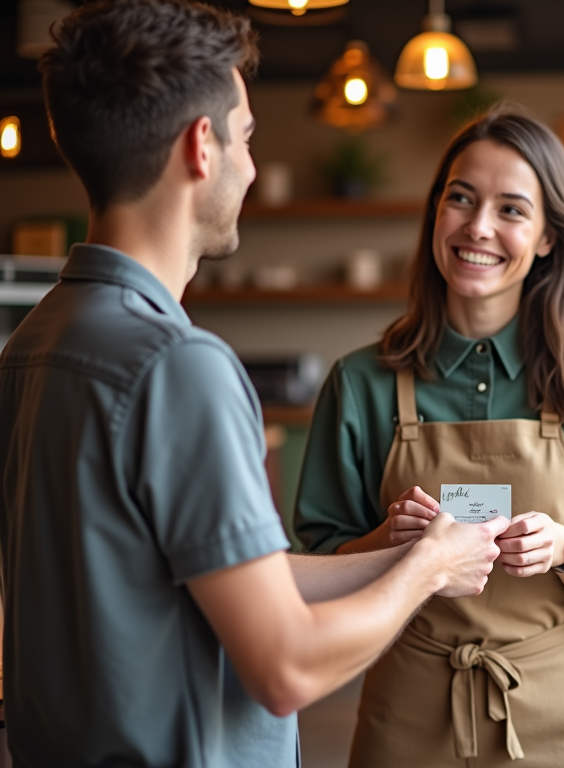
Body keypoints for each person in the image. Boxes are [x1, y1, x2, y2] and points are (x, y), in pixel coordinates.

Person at [0, 2, 509, 766]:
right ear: (201, 147)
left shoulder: (35, 339)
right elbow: (287, 665)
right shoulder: (179, 365)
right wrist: (429, 569)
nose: (254, 167)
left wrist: (409, 553)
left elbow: (215, 576)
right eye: (246, 138)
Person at [294, 108, 564, 768]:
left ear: (549, 237)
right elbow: (318, 568)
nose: (479, 226)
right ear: (435, 213)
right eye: (460, 197)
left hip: (560, 717)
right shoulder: (360, 383)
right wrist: (392, 542)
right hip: (408, 710)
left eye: (512, 209)